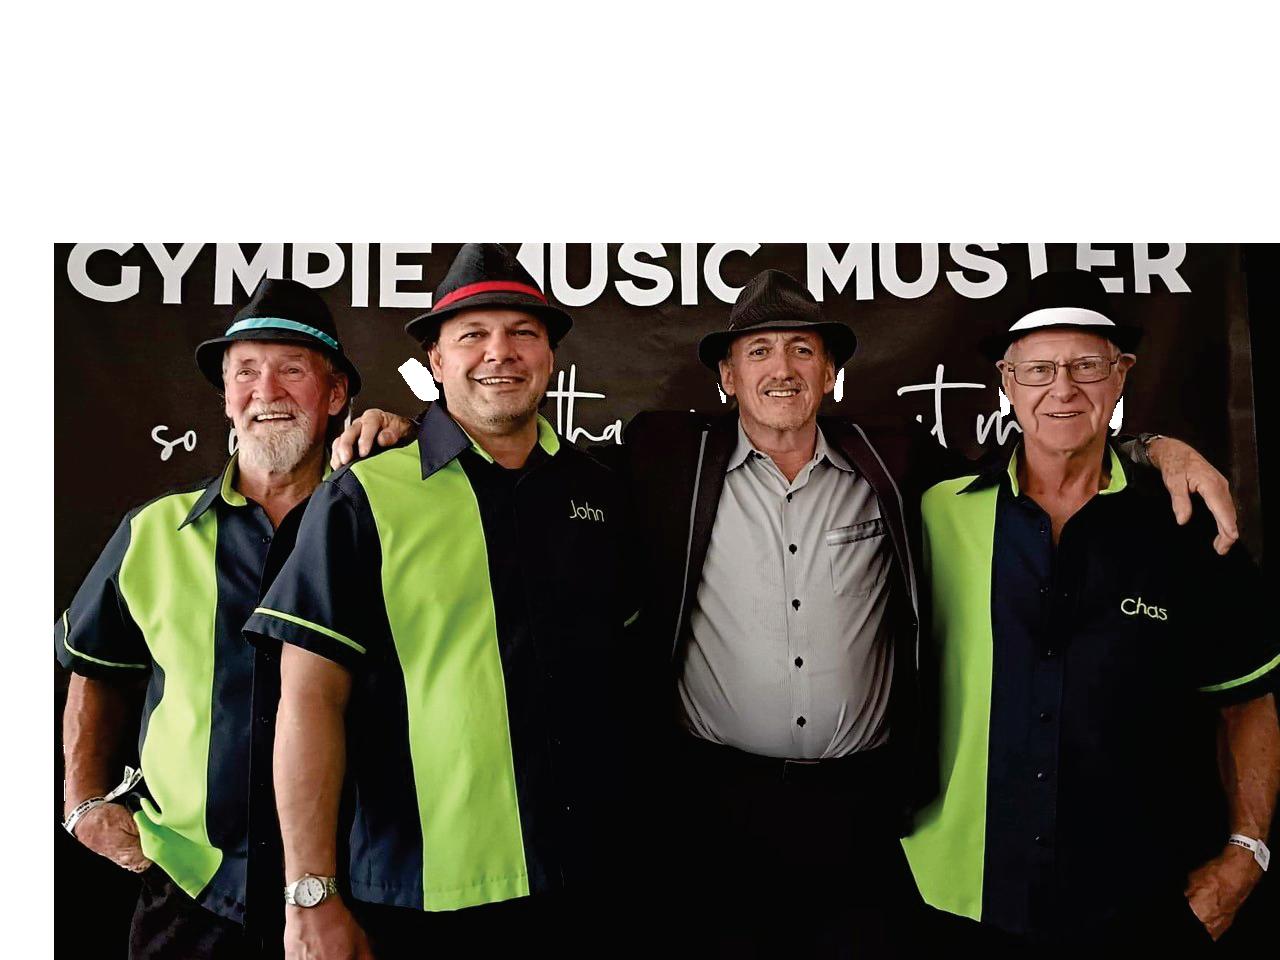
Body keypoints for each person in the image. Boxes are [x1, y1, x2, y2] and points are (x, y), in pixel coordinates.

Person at [335, 267, 1239, 958]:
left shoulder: (897, 460)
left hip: (863, 811)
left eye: (803, 350)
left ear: (832, 371)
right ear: (727, 376)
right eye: (759, 352)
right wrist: (407, 426)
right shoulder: (659, 456)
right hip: (706, 806)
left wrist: (1151, 448)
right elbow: (516, 450)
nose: (782, 369)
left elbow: (1050, 447)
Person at [244, 244, 631, 960]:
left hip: (593, 881)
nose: (499, 352)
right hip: (423, 896)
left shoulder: (600, 491)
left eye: (522, 333)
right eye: (472, 335)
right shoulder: (363, 494)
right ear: (437, 360)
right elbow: (307, 701)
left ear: (550, 356)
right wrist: (309, 893)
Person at [901, 269, 1280, 955]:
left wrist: (1246, 852)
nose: (1063, 389)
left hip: (1148, 900)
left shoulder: (1188, 522)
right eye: (1039, 369)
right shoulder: (933, 512)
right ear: (1007, 382)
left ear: (1121, 374)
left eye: (1086, 366)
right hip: (961, 894)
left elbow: (1247, 700)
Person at [56, 277, 360, 959]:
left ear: (336, 393)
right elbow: (96, 669)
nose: (266, 391)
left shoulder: (378, 525)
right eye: (245, 372)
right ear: (225, 396)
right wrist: (83, 803)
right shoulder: (153, 531)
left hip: (349, 892)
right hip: (188, 892)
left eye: (291, 370)